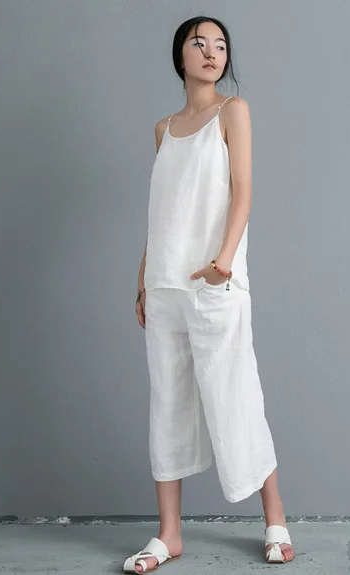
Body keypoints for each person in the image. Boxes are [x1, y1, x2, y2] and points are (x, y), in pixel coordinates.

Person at [123, 16, 295, 573]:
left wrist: (224, 261)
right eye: (199, 43)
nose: (212, 52)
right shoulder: (163, 129)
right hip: (165, 285)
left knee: (235, 395)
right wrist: (144, 277)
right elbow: (163, 212)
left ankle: (275, 520)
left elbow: (243, 191)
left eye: (220, 45)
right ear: (180, 56)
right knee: (168, 404)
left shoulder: (232, 112)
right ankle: (168, 535)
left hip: (214, 281)